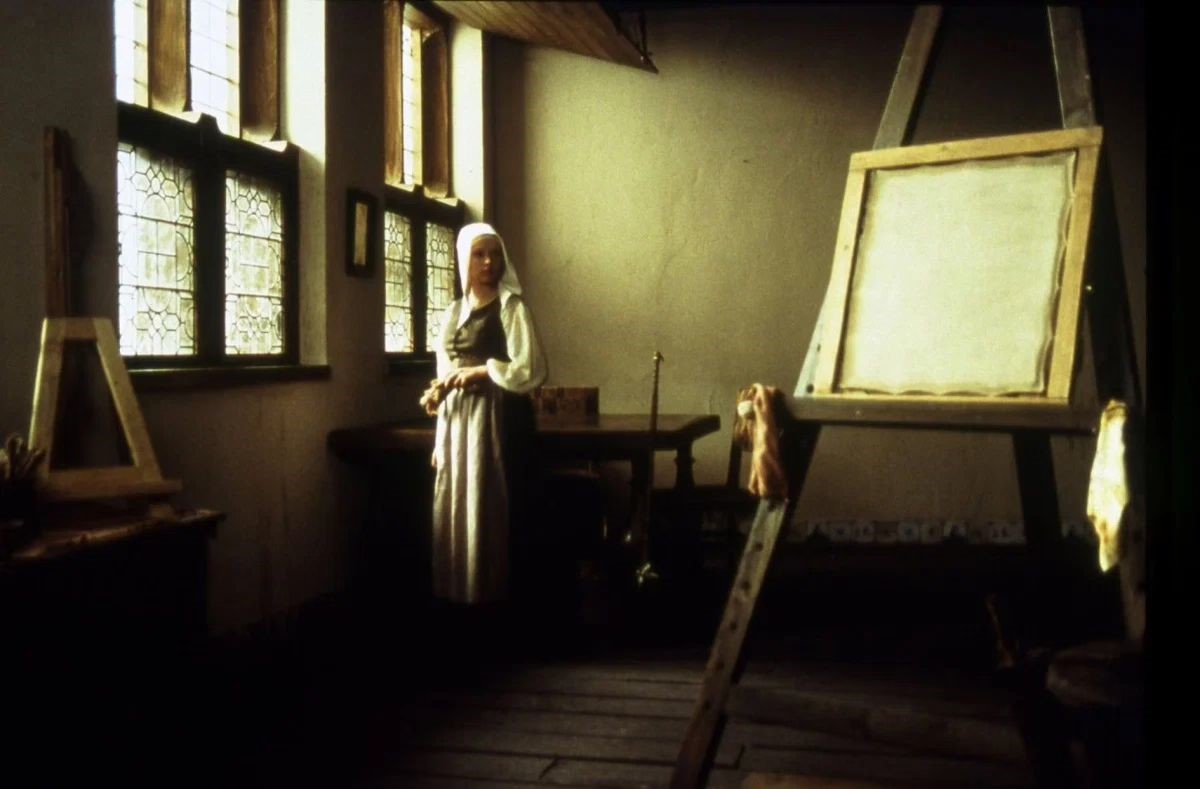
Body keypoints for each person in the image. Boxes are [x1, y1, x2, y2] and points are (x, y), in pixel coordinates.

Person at [426, 222, 547, 605]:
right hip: (459, 425)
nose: (488, 262)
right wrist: (440, 437)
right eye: (479, 254)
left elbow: (530, 368)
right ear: (465, 259)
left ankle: (497, 597)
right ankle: (463, 593)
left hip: (498, 419)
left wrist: (483, 371)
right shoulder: (454, 313)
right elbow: (445, 374)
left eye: (494, 254)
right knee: (460, 504)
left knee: (493, 505)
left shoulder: (512, 308)